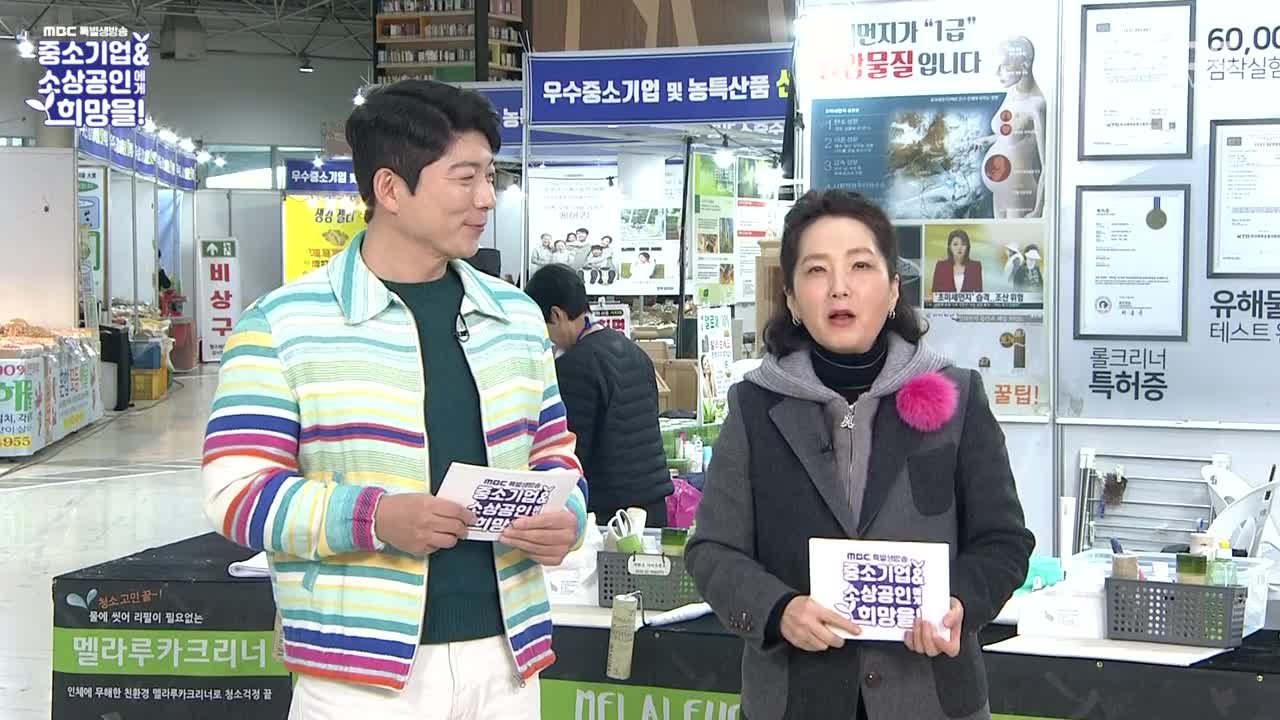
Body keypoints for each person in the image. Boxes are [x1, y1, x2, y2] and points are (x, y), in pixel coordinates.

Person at [201, 80, 589, 719]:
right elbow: (237, 494)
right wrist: (374, 517)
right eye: (465, 177)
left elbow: (555, 455)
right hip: (358, 679)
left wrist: (566, 516)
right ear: (389, 189)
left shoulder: (515, 317)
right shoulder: (282, 326)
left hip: (508, 665)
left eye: (490, 176)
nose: (486, 198)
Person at [685, 189, 1033, 720]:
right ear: (792, 299)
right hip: (795, 702)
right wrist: (778, 611)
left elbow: (1003, 540)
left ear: (893, 290)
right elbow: (713, 550)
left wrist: (960, 602)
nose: (839, 287)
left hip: (932, 700)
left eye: (861, 266)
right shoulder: (754, 406)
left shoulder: (958, 397)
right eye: (816, 270)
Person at [525, 263, 673, 527]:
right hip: (653, 503)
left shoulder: (574, 365)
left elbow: (571, 448)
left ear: (556, 315)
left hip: (610, 514)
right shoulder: (634, 351)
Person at [931, 228, 983, 296]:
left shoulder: (975, 267)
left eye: (963, 244)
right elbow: (934, 294)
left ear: (967, 247)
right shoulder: (941, 266)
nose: (959, 248)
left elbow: (979, 294)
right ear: (950, 247)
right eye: (955, 244)